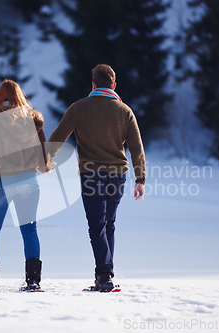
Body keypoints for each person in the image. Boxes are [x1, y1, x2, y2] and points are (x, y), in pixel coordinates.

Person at [48, 64, 146, 292]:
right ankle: (105, 274)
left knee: (97, 224)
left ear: (93, 85)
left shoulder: (79, 108)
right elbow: (137, 148)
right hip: (118, 176)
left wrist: (47, 159)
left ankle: (104, 275)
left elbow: (58, 136)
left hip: (91, 174)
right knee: (107, 223)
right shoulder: (125, 111)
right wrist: (140, 178)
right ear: (114, 85)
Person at [0, 79, 51, 291]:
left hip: (0, 184)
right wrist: (46, 165)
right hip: (28, 182)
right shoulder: (33, 120)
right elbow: (43, 158)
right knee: (29, 230)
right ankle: (33, 282)